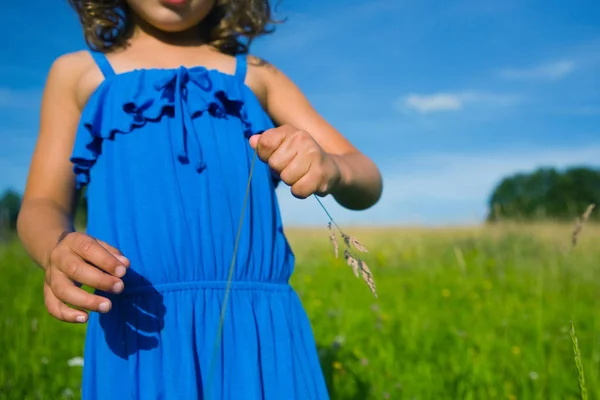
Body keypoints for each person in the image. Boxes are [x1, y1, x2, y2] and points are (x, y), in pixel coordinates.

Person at [17, 0, 383, 398]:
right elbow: (42, 202)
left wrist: (332, 165)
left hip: (261, 331)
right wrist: (55, 248)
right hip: (141, 335)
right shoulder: (76, 73)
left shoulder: (257, 75)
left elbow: (368, 178)